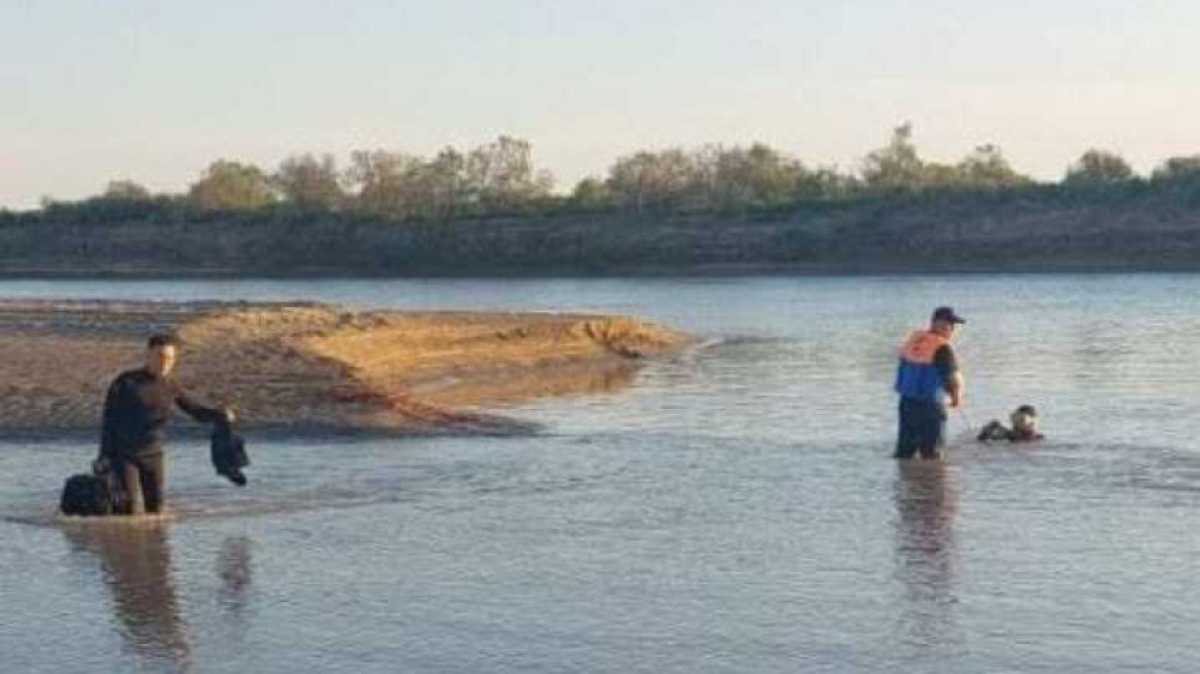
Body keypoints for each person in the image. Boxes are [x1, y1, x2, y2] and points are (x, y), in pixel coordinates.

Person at [96, 333, 234, 515]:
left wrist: (219, 415)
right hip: (123, 455)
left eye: (170, 358)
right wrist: (103, 456)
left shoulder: (170, 385)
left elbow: (194, 411)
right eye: (160, 357)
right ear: (148, 355)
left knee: (157, 511)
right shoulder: (126, 383)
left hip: (153, 455)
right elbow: (109, 420)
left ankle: (155, 544)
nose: (165, 363)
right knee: (126, 510)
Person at [893, 306, 966, 460]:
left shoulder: (913, 340)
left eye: (952, 326)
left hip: (907, 402)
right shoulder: (942, 347)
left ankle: (905, 482)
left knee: (905, 452)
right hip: (930, 405)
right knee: (932, 453)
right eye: (949, 324)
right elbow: (953, 378)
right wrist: (956, 399)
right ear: (936, 323)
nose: (952, 329)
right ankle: (933, 482)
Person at [976, 404, 1043, 443]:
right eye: (1017, 420)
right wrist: (986, 433)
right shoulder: (1006, 434)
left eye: (1021, 420)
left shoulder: (1038, 437)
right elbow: (981, 439)